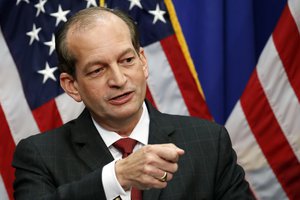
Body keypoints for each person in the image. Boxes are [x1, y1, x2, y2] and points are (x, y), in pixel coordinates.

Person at [12, 7, 253, 200]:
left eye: (127, 60)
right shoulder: (40, 155)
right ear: (71, 85)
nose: (118, 79)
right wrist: (116, 177)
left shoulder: (210, 142)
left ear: (143, 62)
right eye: (97, 70)